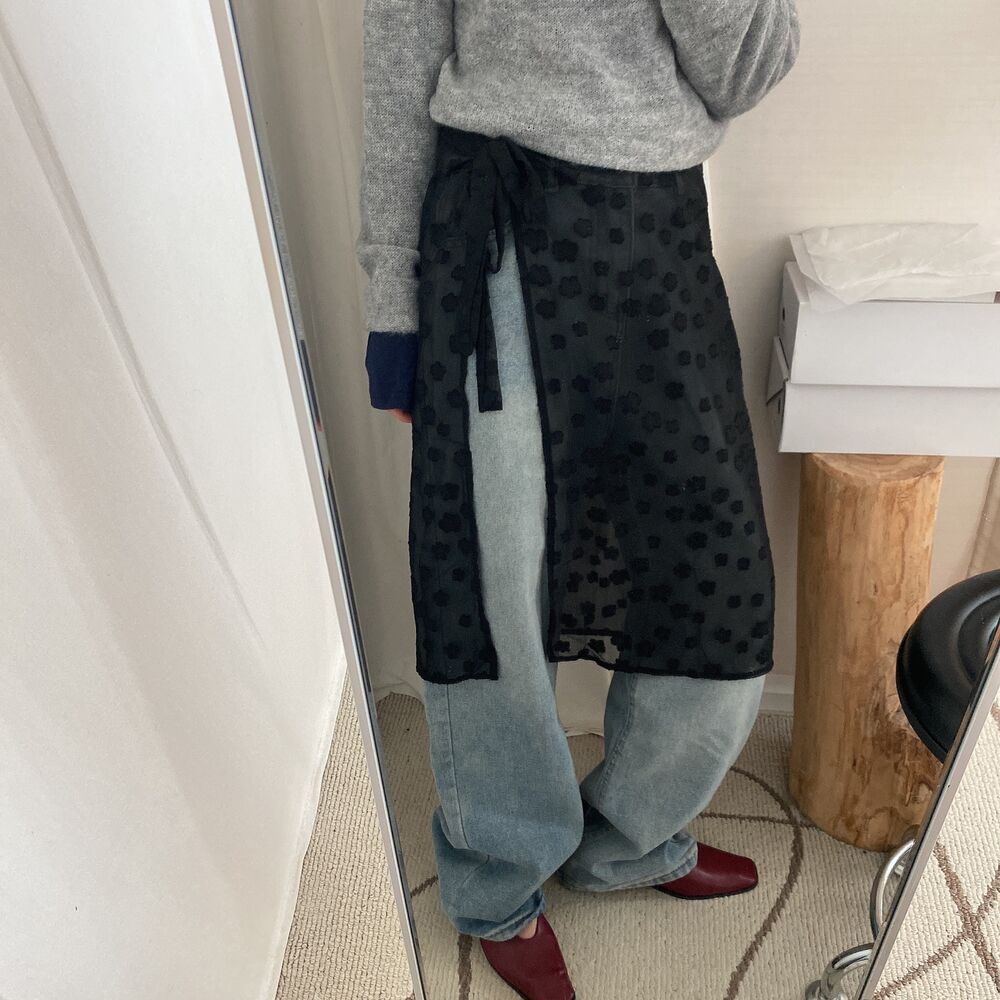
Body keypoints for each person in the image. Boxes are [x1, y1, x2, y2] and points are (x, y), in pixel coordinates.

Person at [356, 3, 801, 998]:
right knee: (494, 587)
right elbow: (401, 59)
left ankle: (629, 839)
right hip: (495, 240)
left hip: (658, 241)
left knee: (709, 576)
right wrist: (394, 306)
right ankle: (498, 875)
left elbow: (746, 68)